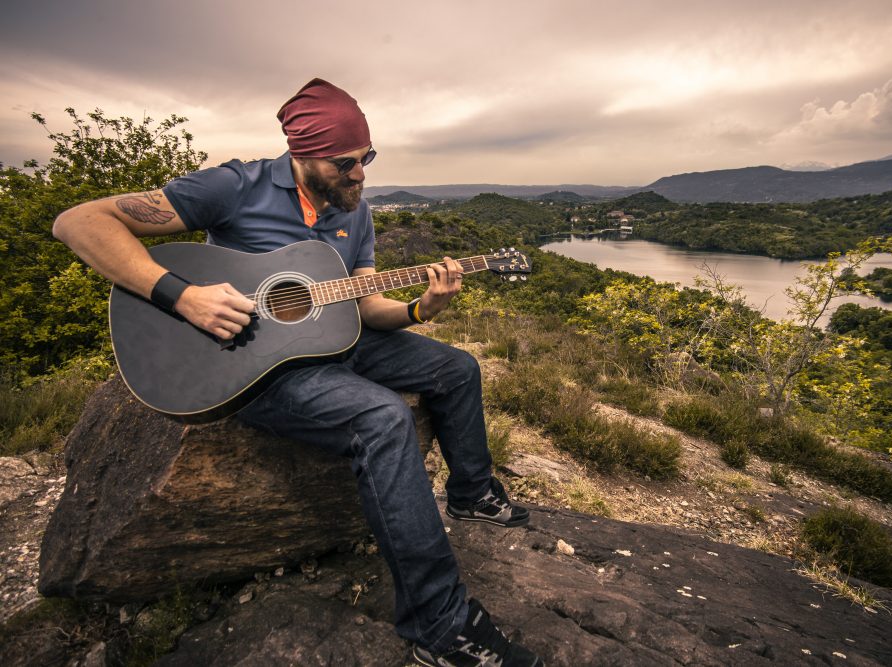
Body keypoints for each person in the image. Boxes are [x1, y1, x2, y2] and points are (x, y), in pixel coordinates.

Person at [52, 78, 543, 667]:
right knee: (382, 417)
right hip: (254, 364)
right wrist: (183, 297)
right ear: (302, 155)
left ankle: (471, 494)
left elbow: (363, 307)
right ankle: (440, 627)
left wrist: (419, 309)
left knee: (458, 367)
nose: (360, 174)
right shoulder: (235, 186)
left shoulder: (353, 211)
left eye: (367, 158)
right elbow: (79, 223)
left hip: (337, 340)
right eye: (345, 162)